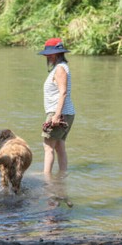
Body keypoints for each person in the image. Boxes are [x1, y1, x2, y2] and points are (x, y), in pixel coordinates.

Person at [38, 38, 75, 176]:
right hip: (66, 112)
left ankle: (46, 179)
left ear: (58, 53)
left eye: (50, 54)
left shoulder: (60, 69)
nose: (47, 56)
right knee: (59, 146)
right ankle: (61, 177)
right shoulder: (61, 67)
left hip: (58, 111)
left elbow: (63, 92)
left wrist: (56, 115)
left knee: (48, 147)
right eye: (47, 54)